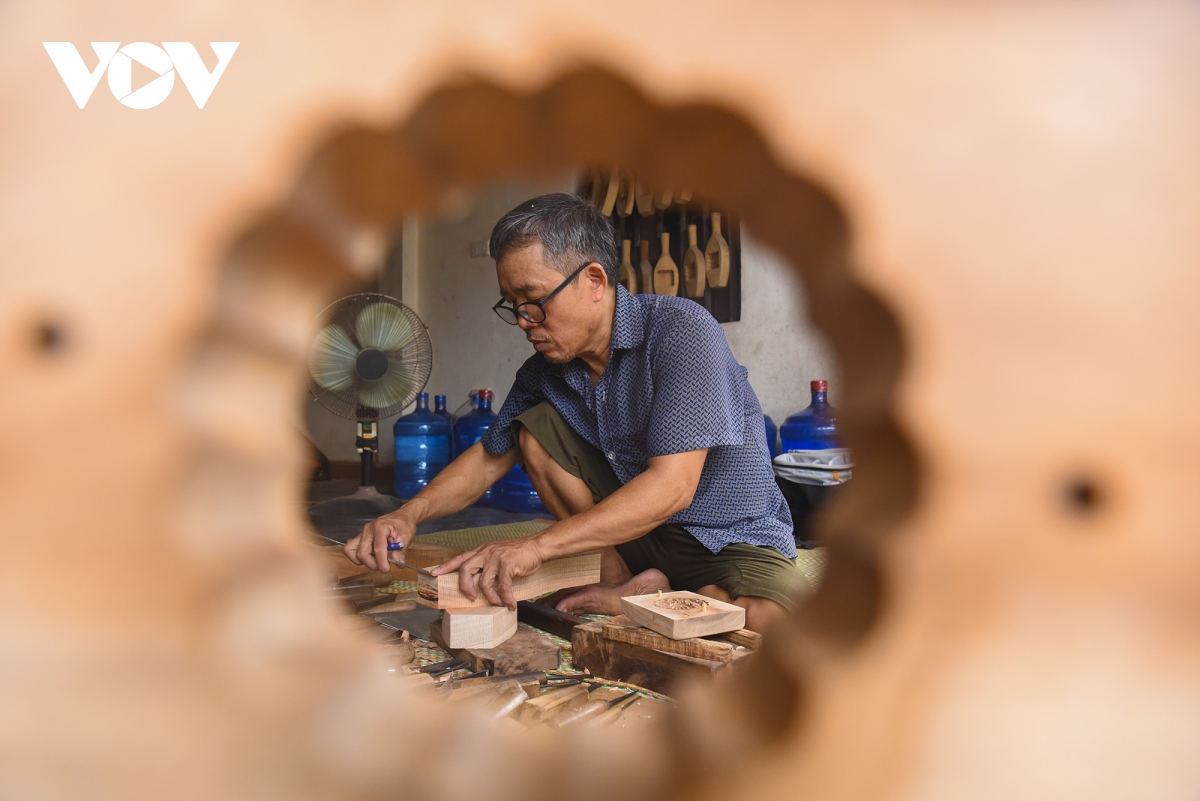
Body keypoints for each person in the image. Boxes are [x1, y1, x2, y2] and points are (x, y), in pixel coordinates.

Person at [343, 192, 809, 631]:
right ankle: (622, 578)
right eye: (512, 305)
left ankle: (663, 591)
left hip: (726, 534)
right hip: (631, 537)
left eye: (534, 301)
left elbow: (673, 488)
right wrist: (408, 514)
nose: (523, 321)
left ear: (594, 281)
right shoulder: (543, 371)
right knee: (532, 431)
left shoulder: (680, 331)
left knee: (775, 621)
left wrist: (537, 547)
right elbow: (489, 456)